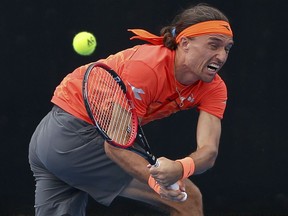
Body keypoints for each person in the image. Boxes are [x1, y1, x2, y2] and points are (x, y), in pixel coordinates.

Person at [28, 3, 234, 216]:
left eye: (227, 48)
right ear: (184, 42)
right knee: (188, 199)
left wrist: (181, 167)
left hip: (50, 139)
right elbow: (115, 146)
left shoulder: (214, 88)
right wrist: (158, 183)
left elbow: (208, 152)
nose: (221, 56)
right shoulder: (147, 68)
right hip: (74, 137)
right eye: (213, 45)